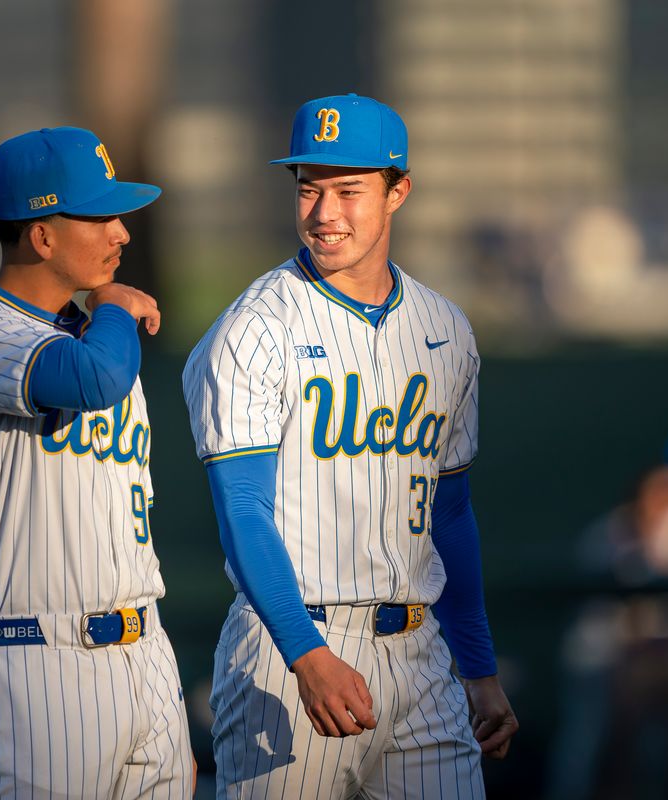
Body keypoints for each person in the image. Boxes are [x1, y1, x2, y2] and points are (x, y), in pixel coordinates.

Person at [182, 93, 518, 798]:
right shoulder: (255, 328)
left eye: (348, 190)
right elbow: (243, 511)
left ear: (399, 192)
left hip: (422, 654)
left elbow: (450, 515)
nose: (323, 212)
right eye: (308, 188)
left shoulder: (445, 328)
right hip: (292, 643)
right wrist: (306, 655)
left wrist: (478, 667)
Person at [0, 126, 194, 798]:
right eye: (100, 216)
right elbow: (91, 380)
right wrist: (117, 309)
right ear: (42, 236)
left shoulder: (98, 335)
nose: (122, 232)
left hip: (145, 654)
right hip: (32, 668)